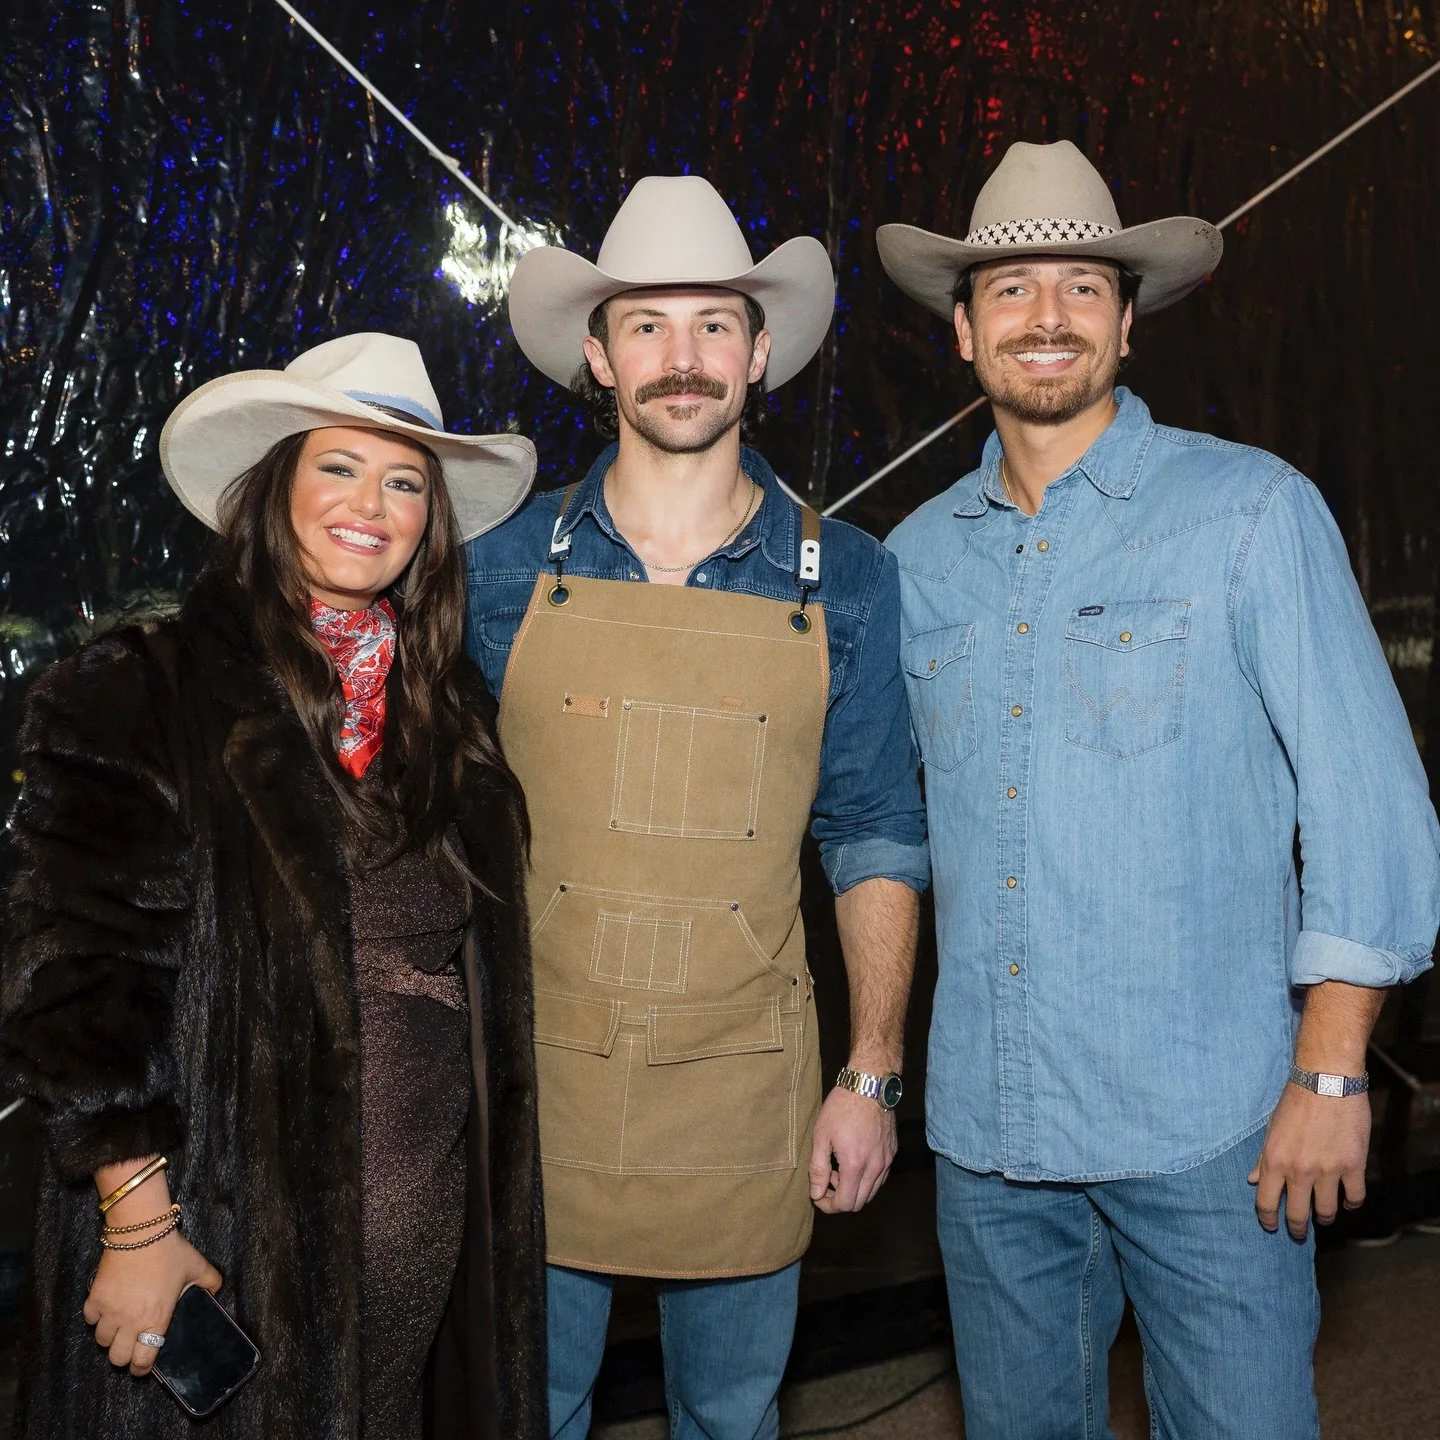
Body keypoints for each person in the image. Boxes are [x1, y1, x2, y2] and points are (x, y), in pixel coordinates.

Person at [880, 140, 1440, 1439]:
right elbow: (882, 827)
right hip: (990, 1140)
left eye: (1083, 286)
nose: (1048, 315)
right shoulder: (913, 562)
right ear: (963, 330)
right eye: (1012, 290)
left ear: (1127, 323)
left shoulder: (1249, 512)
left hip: (1213, 1133)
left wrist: (1333, 1074)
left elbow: (1371, 805)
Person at [0, 334, 548, 1439]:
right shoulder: (137, 689)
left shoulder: (451, 717)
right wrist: (138, 1222)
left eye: (404, 482)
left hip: (415, 1242)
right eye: (338, 467)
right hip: (219, 1237)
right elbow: (77, 984)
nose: (372, 505)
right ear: (273, 488)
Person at [465, 175, 928, 1439]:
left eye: (714, 324)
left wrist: (873, 1073)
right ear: (600, 358)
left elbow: (874, 833)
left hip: (744, 1085)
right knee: (528, 1412)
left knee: (732, 1416)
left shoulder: (847, 578)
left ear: (759, 353)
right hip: (540, 1083)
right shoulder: (496, 568)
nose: (683, 357)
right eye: (648, 326)